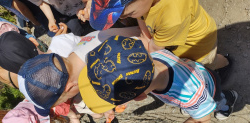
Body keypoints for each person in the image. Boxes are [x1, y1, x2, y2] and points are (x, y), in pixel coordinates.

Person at [78, 36, 238, 123]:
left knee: (217, 101)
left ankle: (228, 101)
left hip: (208, 88)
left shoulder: (190, 94)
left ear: (140, 97)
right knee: (194, 105)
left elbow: (202, 121)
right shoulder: (151, 55)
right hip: (192, 71)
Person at [78, 0, 230, 73]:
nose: (127, 17)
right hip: (172, 38)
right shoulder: (145, 5)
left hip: (196, 45)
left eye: (130, 14)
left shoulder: (172, 17)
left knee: (206, 65)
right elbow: (141, 18)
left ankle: (226, 63)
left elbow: (155, 49)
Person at [27, 0, 94, 35]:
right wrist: (51, 19)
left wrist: (87, 4)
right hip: (67, 11)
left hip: (86, 4)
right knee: (74, 32)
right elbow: (41, 3)